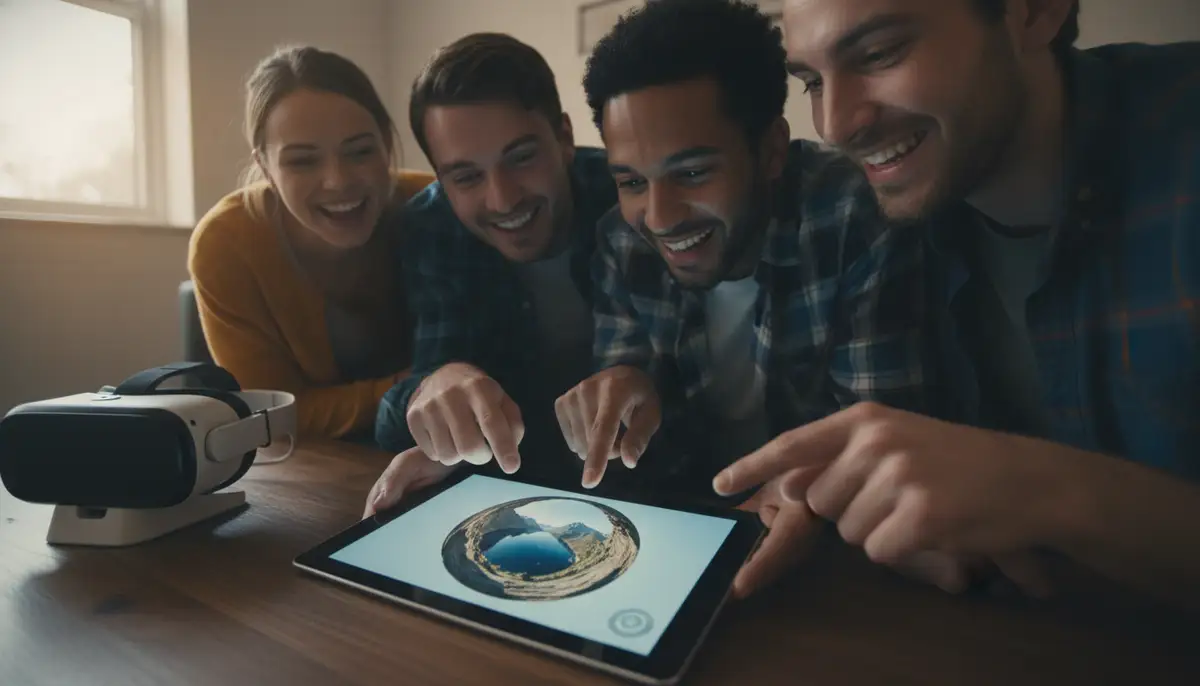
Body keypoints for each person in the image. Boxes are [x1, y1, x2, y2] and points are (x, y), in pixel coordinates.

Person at [716, 0, 1200, 608]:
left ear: (1034, 13)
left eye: (879, 54)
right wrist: (825, 491)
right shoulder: (884, 214)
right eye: (811, 81)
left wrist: (1042, 488)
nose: (836, 125)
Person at [558, 0, 930, 596]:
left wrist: (805, 493)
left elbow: (879, 438)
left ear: (773, 150)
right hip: (683, 549)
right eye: (631, 181)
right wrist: (625, 386)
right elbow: (626, 379)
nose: (657, 217)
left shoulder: (854, 217)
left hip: (839, 568)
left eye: (693, 173)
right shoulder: (619, 241)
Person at [367, 33, 621, 513]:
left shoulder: (631, 196)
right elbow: (410, 411)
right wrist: (435, 386)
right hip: (519, 499)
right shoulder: (430, 226)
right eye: (466, 177)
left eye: (522, 157)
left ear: (564, 137)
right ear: (441, 181)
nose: (503, 200)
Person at [188, 46, 433, 441]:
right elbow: (272, 413)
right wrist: (421, 386)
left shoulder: (437, 205)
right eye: (302, 161)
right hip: (313, 465)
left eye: (360, 151)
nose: (337, 181)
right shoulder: (225, 244)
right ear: (265, 165)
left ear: (387, 143)